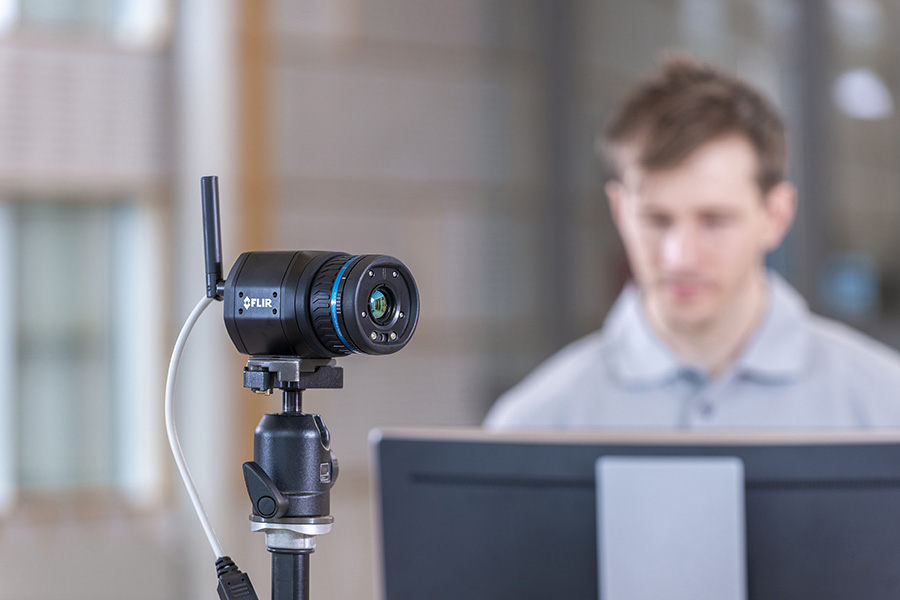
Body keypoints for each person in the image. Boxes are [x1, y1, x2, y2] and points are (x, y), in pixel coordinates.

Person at [484, 56, 900, 429]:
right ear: (620, 212)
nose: (679, 257)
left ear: (776, 215)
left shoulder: (885, 406)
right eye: (656, 220)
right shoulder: (533, 422)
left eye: (715, 221)